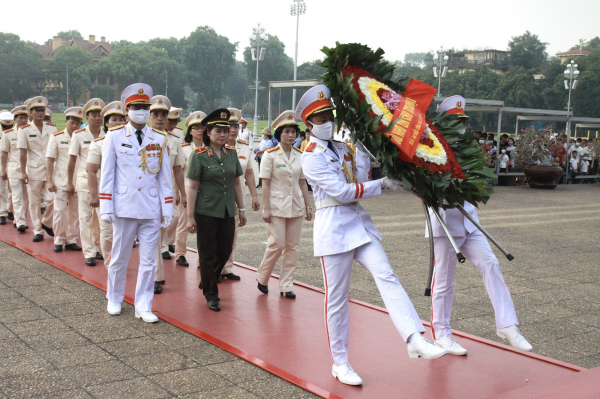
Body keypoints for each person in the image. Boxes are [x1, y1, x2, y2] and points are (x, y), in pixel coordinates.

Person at [299, 85, 445, 386]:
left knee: (387, 275)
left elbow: (360, 181)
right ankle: (340, 363)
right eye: (320, 117)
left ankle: (413, 337)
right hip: (333, 230)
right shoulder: (310, 155)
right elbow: (341, 191)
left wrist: (365, 146)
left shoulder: (341, 148)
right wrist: (385, 184)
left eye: (329, 114)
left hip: (358, 224)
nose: (327, 120)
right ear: (309, 124)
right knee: (337, 299)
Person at [427, 96, 532, 357]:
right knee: (444, 281)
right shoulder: (429, 150)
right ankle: (442, 334)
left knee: (491, 264)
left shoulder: (468, 150)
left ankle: (507, 325)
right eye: (456, 121)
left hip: (469, 221)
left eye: (463, 121)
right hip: (445, 224)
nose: (461, 126)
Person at [100, 83, 173, 323]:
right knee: (119, 256)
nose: (140, 111)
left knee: (149, 260)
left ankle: (143, 305)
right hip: (124, 206)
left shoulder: (160, 138)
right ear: (127, 109)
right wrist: (106, 207)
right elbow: (107, 174)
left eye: (144, 107)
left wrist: (168, 207)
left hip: (151, 207)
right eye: (136, 107)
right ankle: (114, 298)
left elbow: (164, 177)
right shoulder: (114, 136)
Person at [186, 108, 247, 312]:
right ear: (208, 133)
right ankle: (211, 294)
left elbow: (237, 183)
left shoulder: (231, 154)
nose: (223, 134)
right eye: (218, 131)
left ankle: (208, 277)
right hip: (205, 211)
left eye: (225, 130)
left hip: (227, 210)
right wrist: (189, 217)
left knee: (225, 249)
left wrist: (243, 209)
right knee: (207, 253)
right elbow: (193, 186)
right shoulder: (199, 155)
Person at [256, 111, 312, 298]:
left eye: (293, 132)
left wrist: (308, 205)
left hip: (295, 205)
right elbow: (265, 183)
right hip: (276, 206)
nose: (291, 135)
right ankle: (263, 277)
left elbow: (302, 182)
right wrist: (265, 207)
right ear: (279, 134)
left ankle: (286, 285)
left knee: (292, 247)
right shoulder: (270, 155)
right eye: (286, 131)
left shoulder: (299, 154)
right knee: (277, 244)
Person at [148, 95, 186, 294]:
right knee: (152, 235)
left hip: (166, 194)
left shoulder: (174, 141)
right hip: (145, 194)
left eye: (164, 114)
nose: (160, 118)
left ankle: (156, 273)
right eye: (156, 114)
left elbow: (178, 169)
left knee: (162, 231)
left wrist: (182, 192)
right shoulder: (142, 138)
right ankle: (155, 276)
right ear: (149, 116)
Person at [220, 108, 260, 281]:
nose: (234, 129)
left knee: (232, 234)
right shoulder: (216, 146)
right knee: (216, 234)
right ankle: (213, 266)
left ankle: (227, 267)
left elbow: (249, 172)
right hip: (218, 197)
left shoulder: (243, 148)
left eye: (236, 126)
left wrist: (254, 195)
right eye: (230, 126)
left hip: (238, 198)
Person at [87, 101, 126, 268]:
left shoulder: (134, 142)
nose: (117, 123)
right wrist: (94, 195)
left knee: (124, 231)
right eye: (113, 119)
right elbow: (91, 170)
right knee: (108, 231)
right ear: (106, 123)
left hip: (126, 193)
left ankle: (119, 259)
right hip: (107, 194)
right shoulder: (98, 143)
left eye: (121, 119)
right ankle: (109, 262)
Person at [67, 99, 105, 265]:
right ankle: (89, 252)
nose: (97, 118)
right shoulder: (79, 135)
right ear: (87, 117)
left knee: (101, 220)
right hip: (84, 182)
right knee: (85, 218)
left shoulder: (108, 135)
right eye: (93, 115)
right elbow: (72, 161)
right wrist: (70, 182)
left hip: (103, 182)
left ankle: (97, 247)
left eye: (99, 115)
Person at [17, 96, 57, 242]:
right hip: (33, 169)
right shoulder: (24, 130)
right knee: (34, 202)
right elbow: (22, 152)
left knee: (52, 199)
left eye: (42, 110)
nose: (41, 113)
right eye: (37, 110)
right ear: (31, 113)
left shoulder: (52, 128)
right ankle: (37, 230)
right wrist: (22, 171)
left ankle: (46, 222)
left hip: (51, 170)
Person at [46, 107, 84, 253]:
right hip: (60, 180)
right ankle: (58, 239)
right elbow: (50, 160)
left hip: (77, 180)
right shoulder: (56, 137)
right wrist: (49, 180)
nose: (74, 126)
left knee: (75, 212)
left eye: (77, 123)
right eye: (72, 123)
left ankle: (71, 239)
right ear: (66, 122)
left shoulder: (82, 137)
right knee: (60, 211)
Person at [175, 111, 206, 267]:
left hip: (206, 193)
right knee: (184, 223)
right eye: (196, 127)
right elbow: (178, 172)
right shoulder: (184, 148)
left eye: (202, 127)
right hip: (187, 191)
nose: (199, 130)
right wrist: (178, 193)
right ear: (190, 130)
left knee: (205, 226)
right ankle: (180, 253)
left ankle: (203, 258)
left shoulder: (210, 148)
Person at [2, 106, 29, 231]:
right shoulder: (7, 134)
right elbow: (4, 153)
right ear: (15, 119)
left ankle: (19, 219)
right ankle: (20, 223)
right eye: (21, 118)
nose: (23, 120)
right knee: (17, 196)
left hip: (28, 168)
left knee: (26, 196)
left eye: (25, 118)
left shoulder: (30, 132)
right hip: (13, 167)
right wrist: (3, 169)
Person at [164, 107, 186, 260]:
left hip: (171, 183)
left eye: (174, 122)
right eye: (170, 122)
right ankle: (162, 246)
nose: (172, 125)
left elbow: (178, 167)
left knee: (175, 216)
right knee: (160, 218)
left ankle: (168, 241)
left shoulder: (176, 137)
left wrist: (181, 191)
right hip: (154, 187)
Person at [0, 112, 15, 225]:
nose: (7, 128)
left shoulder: (16, 133)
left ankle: (9, 209)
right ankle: (2, 213)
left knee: (12, 189)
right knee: (1, 189)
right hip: (1, 163)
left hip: (13, 163)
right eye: (5, 126)